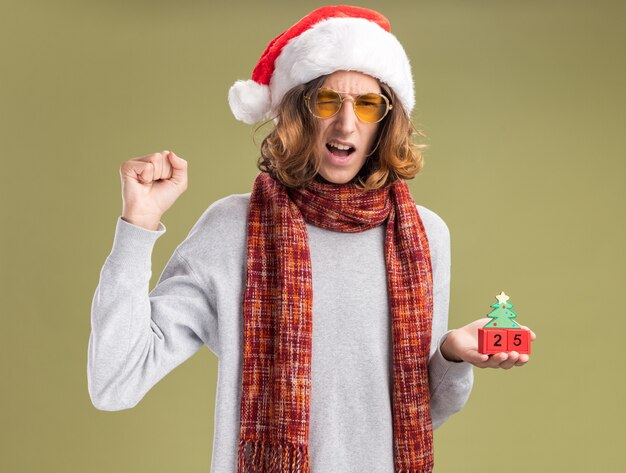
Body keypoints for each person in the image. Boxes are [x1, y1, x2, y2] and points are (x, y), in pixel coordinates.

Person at [87, 5, 536, 473]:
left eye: (367, 104)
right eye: (326, 101)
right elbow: (114, 381)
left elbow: (419, 415)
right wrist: (137, 227)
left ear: (386, 119)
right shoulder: (231, 229)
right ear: (297, 111)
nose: (346, 125)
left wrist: (451, 354)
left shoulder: (423, 236)